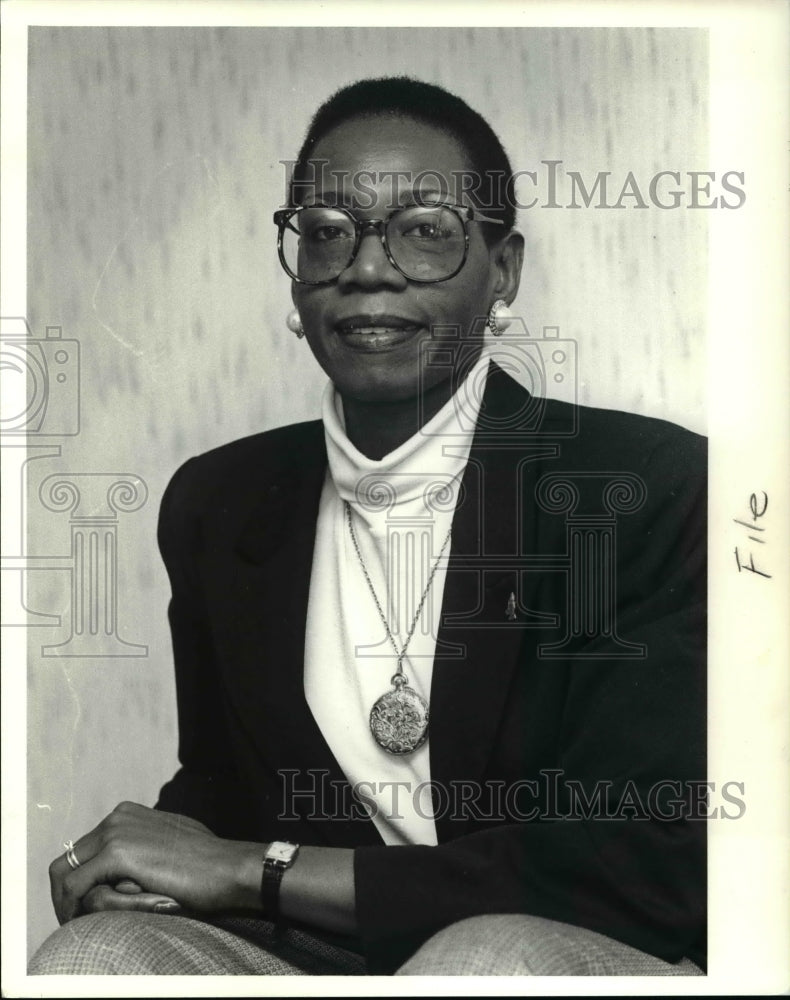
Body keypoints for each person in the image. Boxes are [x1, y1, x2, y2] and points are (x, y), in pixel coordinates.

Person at [30, 77, 706, 977]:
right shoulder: (220, 501)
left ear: (502, 272)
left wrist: (247, 870)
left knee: (482, 959)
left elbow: (640, 864)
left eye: (426, 229)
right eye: (327, 231)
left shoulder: (641, 490)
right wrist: (144, 867)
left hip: (564, 948)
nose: (369, 266)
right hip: (320, 954)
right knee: (94, 956)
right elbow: (225, 792)